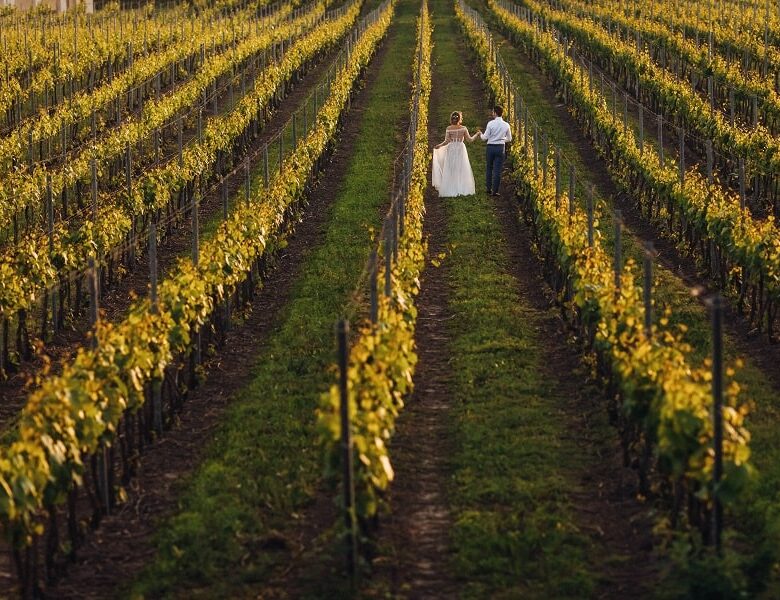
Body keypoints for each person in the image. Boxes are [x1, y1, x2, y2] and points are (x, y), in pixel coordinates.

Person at [432, 111, 480, 197]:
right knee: (461, 166)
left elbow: (446, 141)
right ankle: (460, 186)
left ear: (451, 119)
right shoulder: (464, 128)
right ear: (460, 119)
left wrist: (439, 145)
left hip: (452, 148)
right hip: (461, 148)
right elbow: (470, 140)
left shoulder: (449, 128)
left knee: (451, 167)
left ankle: (451, 186)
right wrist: (477, 134)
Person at [479, 105, 512, 196]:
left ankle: (488, 189)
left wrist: (480, 134)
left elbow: (484, 138)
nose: (492, 113)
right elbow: (509, 139)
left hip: (490, 148)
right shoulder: (506, 125)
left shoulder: (490, 123)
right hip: (500, 148)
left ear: (495, 113)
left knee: (489, 167)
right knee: (497, 170)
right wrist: (501, 139)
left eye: (493, 112)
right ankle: (495, 191)